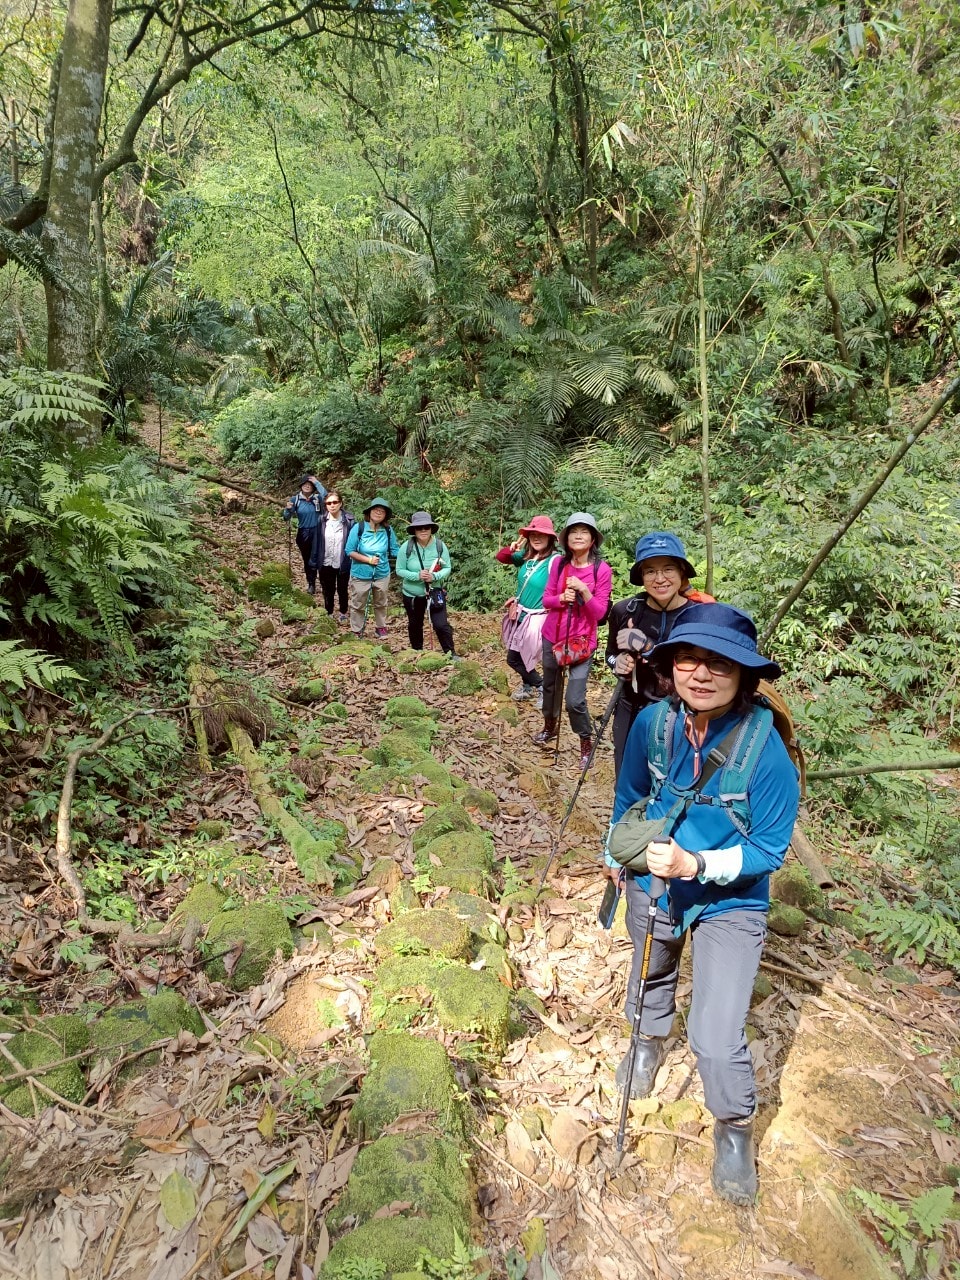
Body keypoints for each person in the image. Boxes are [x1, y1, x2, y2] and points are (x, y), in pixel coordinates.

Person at [609, 603, 800, 1205]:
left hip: (732, 899)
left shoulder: (767, 753)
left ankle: (734, 1127)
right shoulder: (654, 725)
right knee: (652, 963)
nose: (702, 673)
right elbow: (631, 794)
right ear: (671, 665)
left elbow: (768, 850)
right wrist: (619, 857)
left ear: (746, 676)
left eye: (721, 663)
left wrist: (698, 866)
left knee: (717, 1034)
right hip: (657, 878)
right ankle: (646, 1041)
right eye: (690, 658)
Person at [606, 532, 715, 779]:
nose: (660, 579)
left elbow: (701, 670)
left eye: (668, 569)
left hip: (683, 711)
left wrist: (647, 647)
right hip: (631, 706)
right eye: (650, 571)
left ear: (681, 573)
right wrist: (618, 663)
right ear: (641, 576)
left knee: (675, 782)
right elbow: (610, 655)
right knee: (627, 779)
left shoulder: (700, 615)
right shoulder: (625, 610)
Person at [536, 512, 612, 771]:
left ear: (592, 540)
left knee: (575, 700)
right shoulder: (558, 564)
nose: (578, 536)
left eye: (584, 532)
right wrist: (561, 599)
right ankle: (550, 726)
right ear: (566, 538)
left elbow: (601, 613)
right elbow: (546, 600)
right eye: (573, 531)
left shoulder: (601, 569)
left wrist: (584, 590)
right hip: (552, 636)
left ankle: (585, 743)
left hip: (581, 643)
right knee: (550, 688)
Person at [496, 515, 559, 707]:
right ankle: (528, 686)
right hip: (520, 615)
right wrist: (514, 546)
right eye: (532, 534)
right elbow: (502, 557)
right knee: (519, 655)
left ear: (550, 538)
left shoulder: (555, 560)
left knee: (516, 658)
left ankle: (541, 687)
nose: (537, 538)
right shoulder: (526, 557)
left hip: (539, 618)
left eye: (541, 534)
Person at [396, 511, 456, 655]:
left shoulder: (440, 546)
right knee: (415, 624)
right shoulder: (407, 547)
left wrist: (434, 576)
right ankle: (417, 653)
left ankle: (450, 653)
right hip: (412, 594)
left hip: (434, 592)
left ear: (431, 529)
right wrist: (417, 575)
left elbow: (447, 567)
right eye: (419, 528)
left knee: (441, 625)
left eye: (426, 527)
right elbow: (399, 569)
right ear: (414, 530)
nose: (423, 530)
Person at [344, 497, 399, 638]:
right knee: (359, 603)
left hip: (382, 573)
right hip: (361, 573)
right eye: (376, 510)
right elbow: (349, 551)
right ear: (369, 512)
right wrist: (368, 559)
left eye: (382, 511)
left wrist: (410, 552)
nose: (379, 513)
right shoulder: (359, 528)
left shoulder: (387, 530)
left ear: (386, 515)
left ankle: (381, 627)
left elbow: (394, 549)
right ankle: (357, 629)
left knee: (381, 602)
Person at [282, 474, 327, 595]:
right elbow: (286, 517)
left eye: (310, 485)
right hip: (303, 533)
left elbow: (327, 497)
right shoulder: (295, 499)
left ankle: (323, 583)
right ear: (301, 486)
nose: (307, 486)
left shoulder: (318, 498)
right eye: (305, 484)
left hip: (318, 531)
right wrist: (287, 509)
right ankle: (311, 583)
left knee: (320, 558)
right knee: (307, 559)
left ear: (313, 488)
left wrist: (317, 482)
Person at [314, 490, 354, 622]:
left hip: (342, 561)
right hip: (325, 561)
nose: (332, 505)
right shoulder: (321, 520)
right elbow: (317, 541)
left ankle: (343, 612)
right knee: (327, 589)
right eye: (329, 503)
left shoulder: (349, 521)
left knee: (342, 589)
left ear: (340, 503)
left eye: (335, 502)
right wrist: (314, 560)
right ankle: (329, 612)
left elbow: (354, 542)